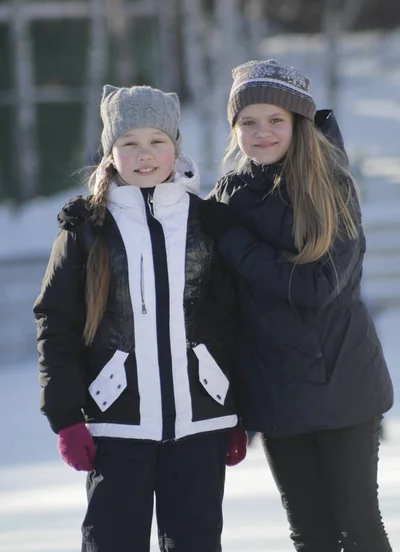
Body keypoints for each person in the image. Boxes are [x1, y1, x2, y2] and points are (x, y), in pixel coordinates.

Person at [33, 84, 246, 552]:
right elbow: (56, 322)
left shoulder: (208, 223)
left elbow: (233, 322)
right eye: (130, 143)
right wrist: (66, 416)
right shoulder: (87, 228)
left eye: (157, 142)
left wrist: (237, 412)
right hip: (117, 425)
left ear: (176, 147)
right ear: (111, 153)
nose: (145, 155)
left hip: (200, 423)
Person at [200, 59, 394, 551]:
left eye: (275, 121)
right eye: (248, 122)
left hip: (341, 382)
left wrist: (235, 242)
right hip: (274, 390)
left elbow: (315, 287)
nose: (261, 132)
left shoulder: (332, 188)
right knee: (310, 533)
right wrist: (98, 216)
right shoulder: (229, 196)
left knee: (358, 526)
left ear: (298, 124)